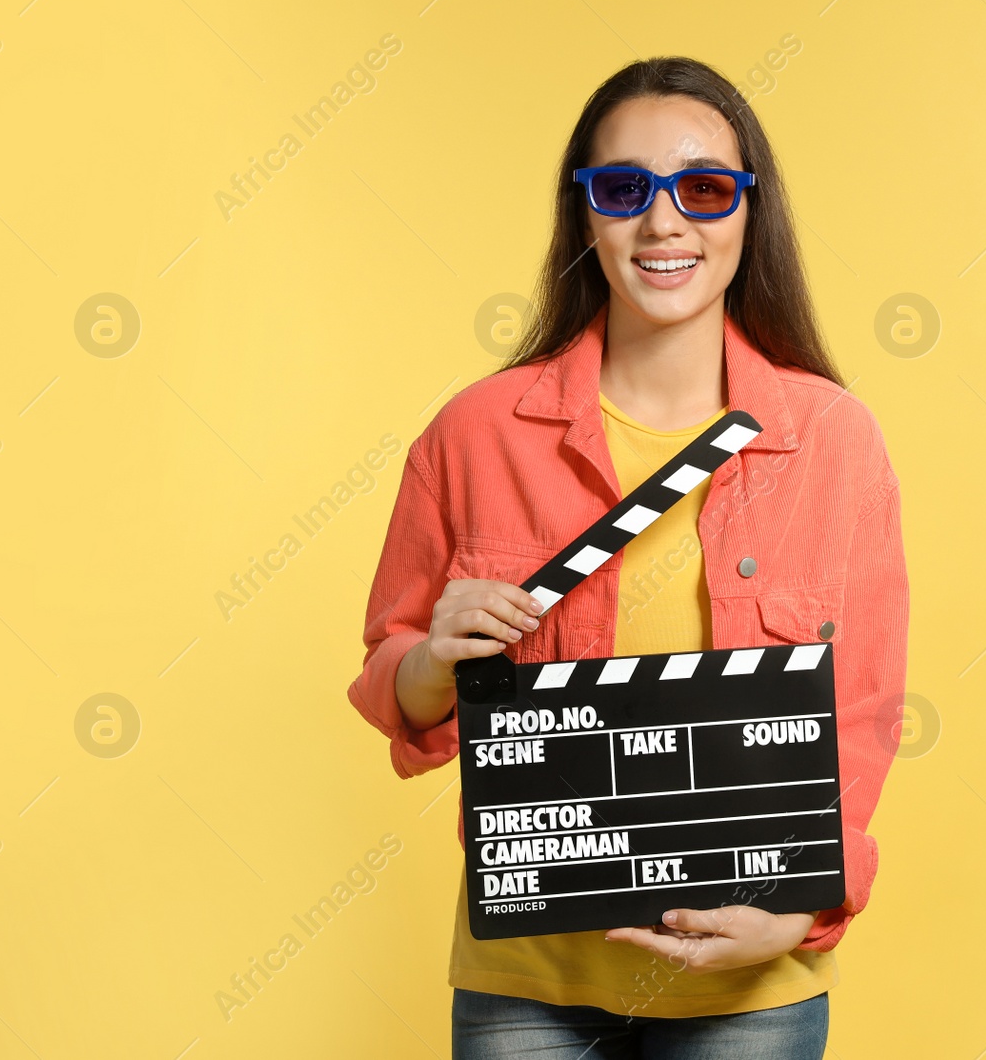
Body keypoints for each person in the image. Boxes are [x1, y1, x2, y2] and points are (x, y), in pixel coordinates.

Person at [347, 55, 909, 1059]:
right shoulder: (474, 433)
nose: (663, 223)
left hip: (751, 985)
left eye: (700, 188)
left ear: (748, 209)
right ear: (584, 214)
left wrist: (807, 900)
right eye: (623, 188)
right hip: (528, 978)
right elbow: (391, 670)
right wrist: (431, 661)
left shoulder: (832, 440)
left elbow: (859, 710)